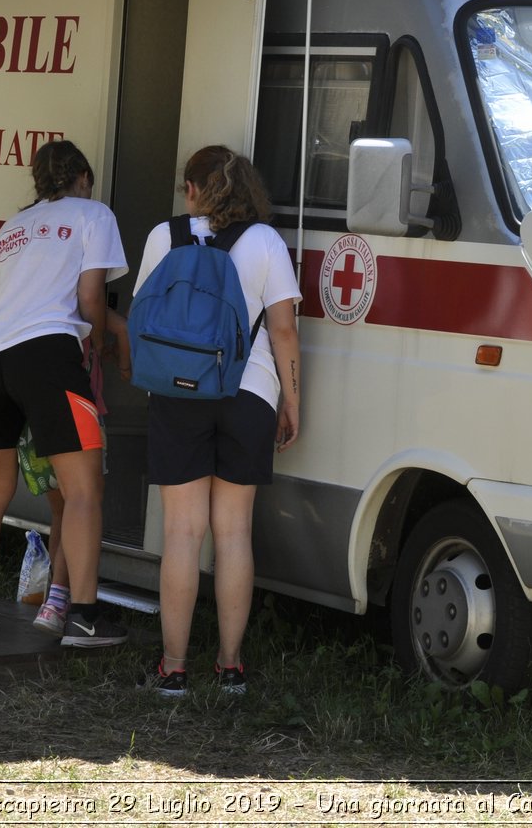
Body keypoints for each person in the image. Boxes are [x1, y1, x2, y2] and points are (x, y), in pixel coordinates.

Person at [0, 140, 132, 647]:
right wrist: (94, 345)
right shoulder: (94, 214)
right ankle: (84, 615)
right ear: (82, 177)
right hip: (48, 355)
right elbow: (90, 296)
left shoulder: (15, 227)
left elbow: (2, 300)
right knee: (82, 491)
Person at [135, 145, 301, 696]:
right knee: (233, 532)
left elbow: (145, 315)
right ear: (249, 191)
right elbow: (283, 331)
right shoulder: (266, 242)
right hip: (249, 392)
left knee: (182, 533)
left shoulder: (164, 236)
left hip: (179, 392)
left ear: (191, 190)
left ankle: (173, 667)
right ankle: (230, 665)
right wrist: (292, 400)